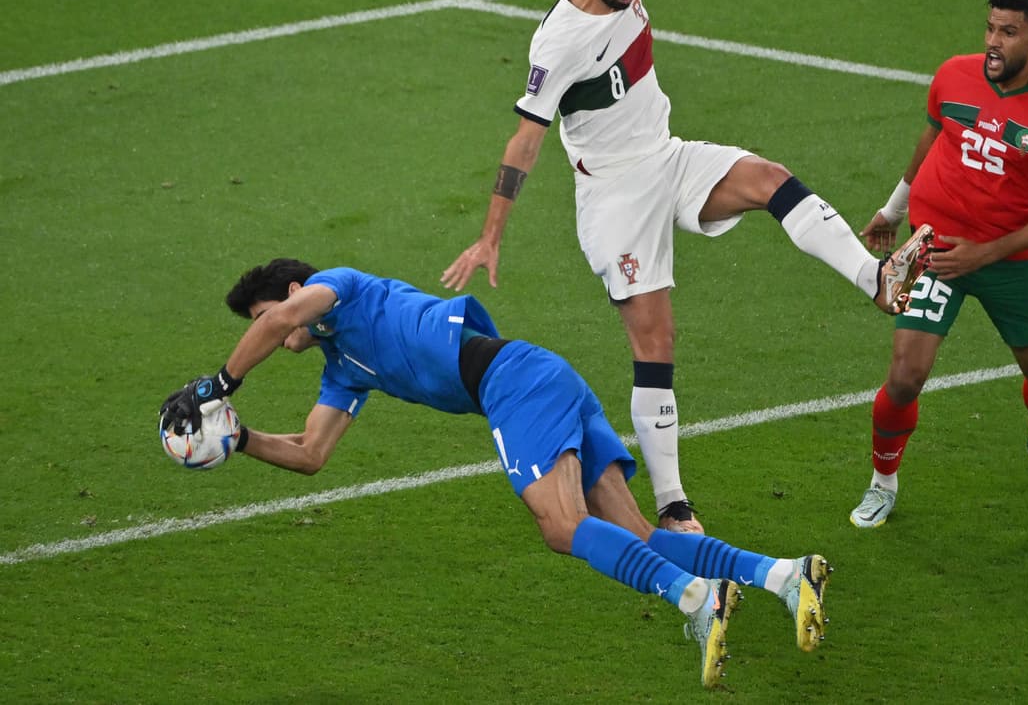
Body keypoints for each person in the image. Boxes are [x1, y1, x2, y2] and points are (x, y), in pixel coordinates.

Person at [441, 0, 929, 533]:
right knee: (656, 342)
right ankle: (673, 507)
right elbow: (523, 144)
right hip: (614, 197)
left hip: (665, 156)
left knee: (770, 180)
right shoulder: (558, 45)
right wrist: (490, 237)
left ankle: (876, 279)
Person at [158, 259, 833, 688]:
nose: (273, 333)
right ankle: (784, 574)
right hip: (538, 376)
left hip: (515, 384)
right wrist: (239, 436)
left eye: (263, 319)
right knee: (634, 534)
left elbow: (281, 319)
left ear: (294, 290)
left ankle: (695, 599)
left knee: (561, 526)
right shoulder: (344, 366)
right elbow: (310, 452)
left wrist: (218, 384)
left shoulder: (342, 288)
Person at [850, 0, 1028, 529]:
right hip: (937, 250)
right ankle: (882, 482)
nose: (993, 42)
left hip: (1009, 262)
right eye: (990, 28)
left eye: (1008, 33)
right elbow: (933, 139)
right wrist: (893, 210)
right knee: (903, 376)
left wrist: (985, 253)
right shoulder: (954, 75)